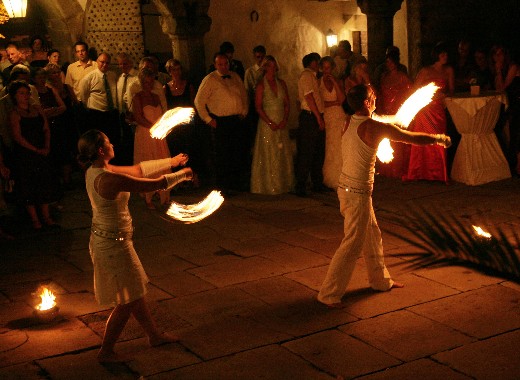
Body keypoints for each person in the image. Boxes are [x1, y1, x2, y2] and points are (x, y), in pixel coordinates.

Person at [317, 84, 451, 308]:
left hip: (350, 191)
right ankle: (328, 294)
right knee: (351, 244)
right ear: (367, 103)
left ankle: (380, 281)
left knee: (372, 236)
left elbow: (384, 120)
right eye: (372, 97)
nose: (376, 99)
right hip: (356, 194)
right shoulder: (374, 128)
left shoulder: (349, 121)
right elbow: (410, 138)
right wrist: (437, 138)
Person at [77, 129, 192, 363]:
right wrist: (182, 174)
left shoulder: (97, 169)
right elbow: (152, 184)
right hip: (113, 246)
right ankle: (106, 351)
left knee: (134, 293)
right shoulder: (108, 178)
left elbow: (139, 169)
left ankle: (154, 336)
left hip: (113, 241)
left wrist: (171, 161)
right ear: (101, 150)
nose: (112, 144)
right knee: (127, 300)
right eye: (108, 141)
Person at [8, 80, 60, 230]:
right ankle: (35, 220)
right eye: (21, 93)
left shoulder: (37, 109)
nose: (25, 96)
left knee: (44, 183)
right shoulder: (15, 114)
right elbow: (17, 137)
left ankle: (46, 217)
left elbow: (45, 128)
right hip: (26, 154)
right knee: (28, 186)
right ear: (15, 96)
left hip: (41, 150)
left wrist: (46, 146)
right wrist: (35, 149)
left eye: (27, 93)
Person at [195, 52, 248, 195]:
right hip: (220, 121)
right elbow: (199, 101)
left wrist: (244, 111)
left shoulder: (235, 76)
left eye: (226, 64)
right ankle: (221, 186)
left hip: (235, 120)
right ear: (215, 65)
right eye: (220, 64)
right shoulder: (210, 79)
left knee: (236, 152)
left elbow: (243, 94)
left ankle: (234, 183)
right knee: (222, 154)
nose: (224, 67)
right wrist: (208, 119)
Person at [404, 42, 454, 183]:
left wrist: (444, 95)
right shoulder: (426, 71)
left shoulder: (448, 70)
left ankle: (438, 174)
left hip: (438, 109)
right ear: (436, 55)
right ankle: (419, 172)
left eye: (446, 54)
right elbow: (414, 89)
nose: (445, 56)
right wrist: (427, 97)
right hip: (425, 110)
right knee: (422, 138)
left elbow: (451, 90)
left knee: (438, 138)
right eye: (442, 54)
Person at [250, 55, 294, 194]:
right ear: (265, 67)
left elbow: (287, 104)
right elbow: (258, 107)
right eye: (269, 66)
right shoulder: (261, 85)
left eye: (274, 66)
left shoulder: (282, 83)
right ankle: (269, 185)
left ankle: (284, 183)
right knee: (269, 153)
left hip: (281, 122)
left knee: (282, 153)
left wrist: (285, 119)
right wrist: (269, 122)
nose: (272, 68)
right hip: (267, 123)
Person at [132, 68, 172, 208]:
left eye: (151, 82)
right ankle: (148, 197)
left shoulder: (156, 97)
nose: (149, 85)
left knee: (161, 161)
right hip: (146, 134)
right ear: (142, 83)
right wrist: (153, 128)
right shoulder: (138, 97)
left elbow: (162, 115)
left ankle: (163, 194)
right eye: (146, 83)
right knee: (149, 162)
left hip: (158, 135)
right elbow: (138, 118)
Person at [376, 49, 412, 179]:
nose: (389, 64)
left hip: (397, 112)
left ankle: (398, 169)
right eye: (387, 62)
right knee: (387, 139)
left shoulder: (403, 77)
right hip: (385, 110)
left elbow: (409, 93)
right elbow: (380, 93)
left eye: (391, 62)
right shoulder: (384, 77)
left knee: (398, 140)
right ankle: (387, 169)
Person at [294, 52, 326, 197]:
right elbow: (309, 97)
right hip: (310, 117)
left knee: (318, 151)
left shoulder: (313, 76)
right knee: (307, 152)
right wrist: (318, 118)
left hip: (314, 116)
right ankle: (301, 185)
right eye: (317, 61)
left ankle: (317, 183)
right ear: (312, 62)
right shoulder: (306, 76)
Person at [44, 63, 80, 188]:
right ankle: (64, 178)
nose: (56, 75)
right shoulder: (48, 89)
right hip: (57, 123)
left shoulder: (66, 87)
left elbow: (75, 102)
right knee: (61, 151)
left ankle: (69, 177)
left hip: (69, 121)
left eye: (57, 72)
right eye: (52, 73)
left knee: (72, 148)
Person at [78, 52, 120, 155]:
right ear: (97, 61)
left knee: (112, 139)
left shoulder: (112, 75)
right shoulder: (89, 78)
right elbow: (84, 96)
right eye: (102, 62)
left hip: (111, 113)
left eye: (107, 63)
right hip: (97, 114)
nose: (104, 65)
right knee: (98, 142)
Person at [491, 45, 520, 175]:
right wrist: (497, 71)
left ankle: (517, 165)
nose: (498, 57)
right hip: (510, 102)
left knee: (516, 131)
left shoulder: (512, 66)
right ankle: (511, 162)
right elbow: (498, 88)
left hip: (518, 99)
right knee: (507, 130)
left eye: (500, 54)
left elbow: (503, 86)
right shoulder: (500, 68)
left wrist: (498, 71)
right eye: (495, 55)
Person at [319, 56, 346, 189]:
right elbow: (321, 102)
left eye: (328, 67)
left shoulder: (338, 81)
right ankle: (330, 178)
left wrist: (334, 82)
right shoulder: (318, 82)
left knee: (340, 146)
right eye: (324, 68)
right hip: (328, 117)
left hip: (339, 116)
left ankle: (343, 176)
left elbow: (342, 99)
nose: (326, 70)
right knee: (330, 146)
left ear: (333, 68)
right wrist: (334, 103)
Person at [115, 52, 138, 166]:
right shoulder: (120, 78)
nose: (122, 66)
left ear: (131, 63)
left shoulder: (136, 77)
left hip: (133, 114)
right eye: (120, 64)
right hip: (122, 113)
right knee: (125, 139)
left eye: (125, 64)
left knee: (135, 140)